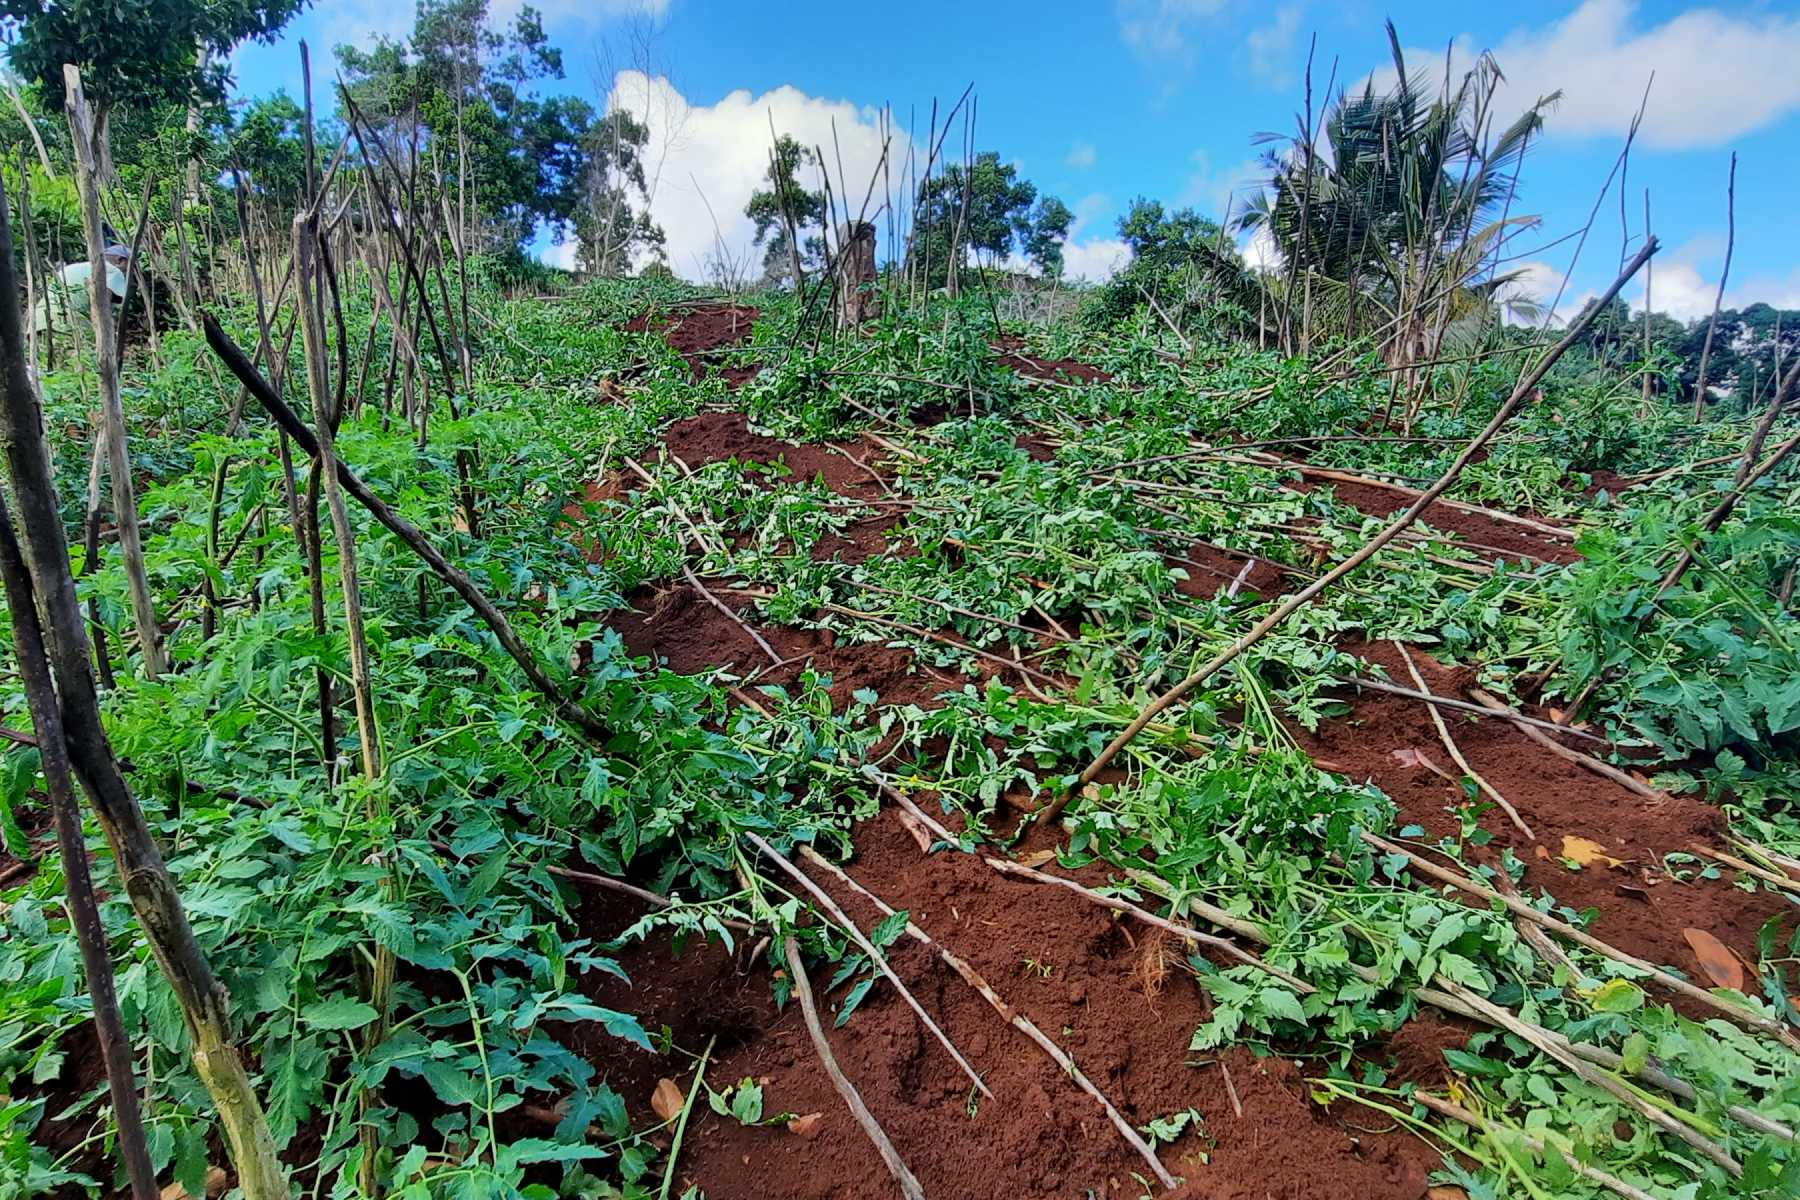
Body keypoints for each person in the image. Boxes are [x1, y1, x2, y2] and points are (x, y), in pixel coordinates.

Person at [32, 243, 131, 337]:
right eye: (132, 266)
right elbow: (101, 305)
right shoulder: (113, 271)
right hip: (70, 326)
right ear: (120, 260)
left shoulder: (71, 268)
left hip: (38, 322)